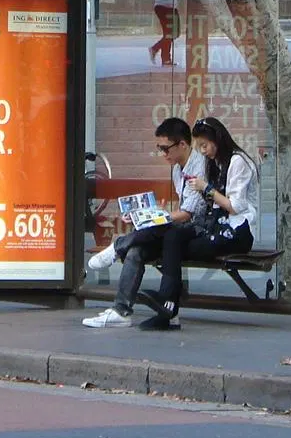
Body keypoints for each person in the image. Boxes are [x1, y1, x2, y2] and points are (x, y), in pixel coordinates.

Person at [82, 117, 208, 329]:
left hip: (197, 232)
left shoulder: (200, 167)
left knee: (152, 230)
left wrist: (158, 217)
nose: (163, 154)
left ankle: (116, 247)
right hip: (178, 231)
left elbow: (189, 214)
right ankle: (121, 311)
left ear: (183, 144)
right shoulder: (179, 168)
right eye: (160, 148)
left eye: (165, 148)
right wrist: (149, 215)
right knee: (136, 251)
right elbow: (181, 212)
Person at [138, 116, 260, 331]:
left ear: (218, 139)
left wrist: (206, 188)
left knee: (175, 247)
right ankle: (167, 305)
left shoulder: (238, 161)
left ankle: (168, 307)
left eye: (204, 145)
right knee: (173, 236)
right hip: (215, 227)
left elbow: (235, 207)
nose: (202, 151)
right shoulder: (215, 163)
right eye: (199, 147)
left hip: (237, 232)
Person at [149, 0, 182, 66]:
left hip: (172, 6)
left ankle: (163, 56)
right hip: (162, 6)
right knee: (169, 33)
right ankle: (162, 56)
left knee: (174, 33)